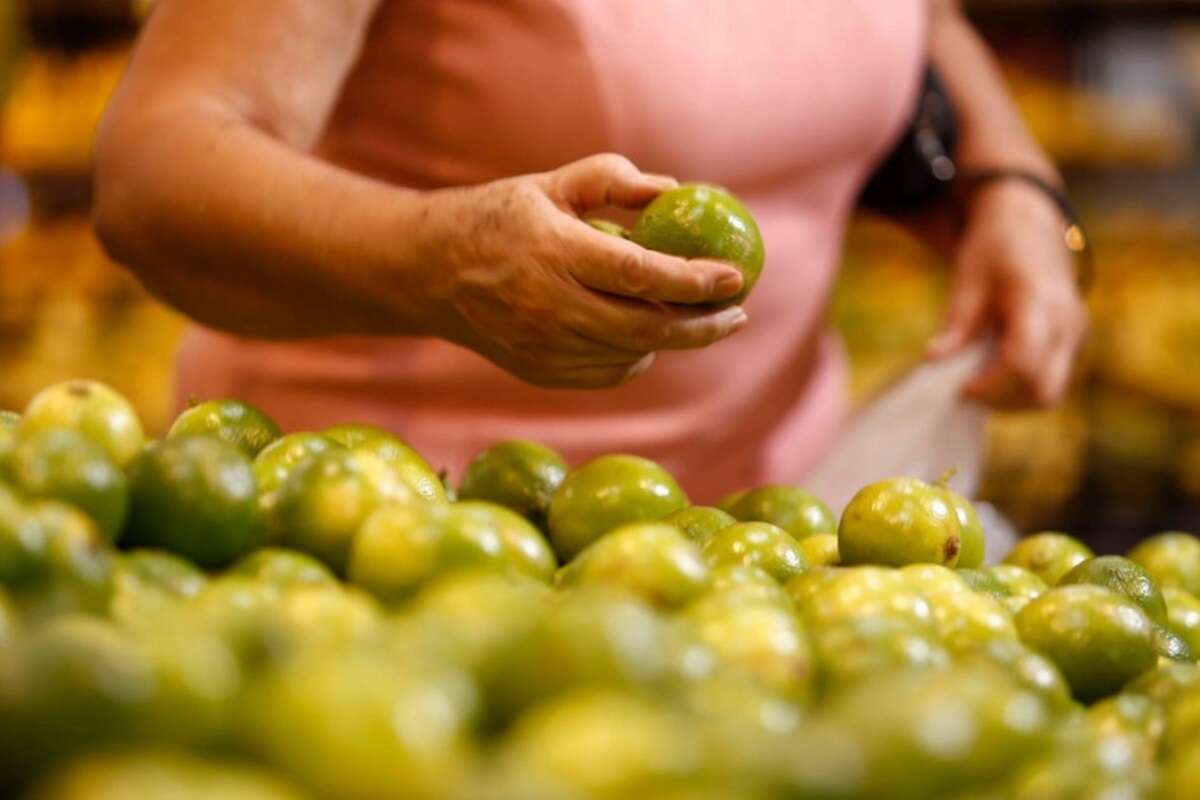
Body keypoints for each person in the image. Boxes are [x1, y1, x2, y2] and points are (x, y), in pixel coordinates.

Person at [93, 0, 1087, 502]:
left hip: (772, 541)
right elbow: (156, 170)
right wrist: (437, 260)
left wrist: (1011, 180)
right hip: (397, 544)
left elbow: (925, 18)